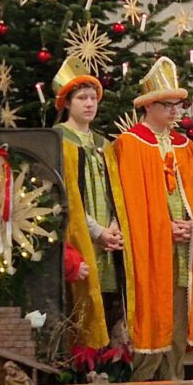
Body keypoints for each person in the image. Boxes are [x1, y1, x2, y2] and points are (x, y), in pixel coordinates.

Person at [114, 57, 193, 381]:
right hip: (153, 250)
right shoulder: (131, 144)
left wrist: (192, 225)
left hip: (183, 250)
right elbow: (130, 205)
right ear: (149, 106)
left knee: (179, 322)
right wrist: (163, 227)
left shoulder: (185, 146)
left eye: (178, 105)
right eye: (167, 105)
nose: (174, 112)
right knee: (153, 316)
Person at [53, 57, 127, 350]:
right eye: (81, 97)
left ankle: (109, 366)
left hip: (107, 239)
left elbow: (115, 193)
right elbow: (66, 194)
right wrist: (96, 230)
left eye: (93, 98)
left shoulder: (103, 143)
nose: (89, 104)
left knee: (109, 303)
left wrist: (113, 225)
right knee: (83, 304)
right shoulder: (59, 140)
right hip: (81, 236)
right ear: (67, 103)